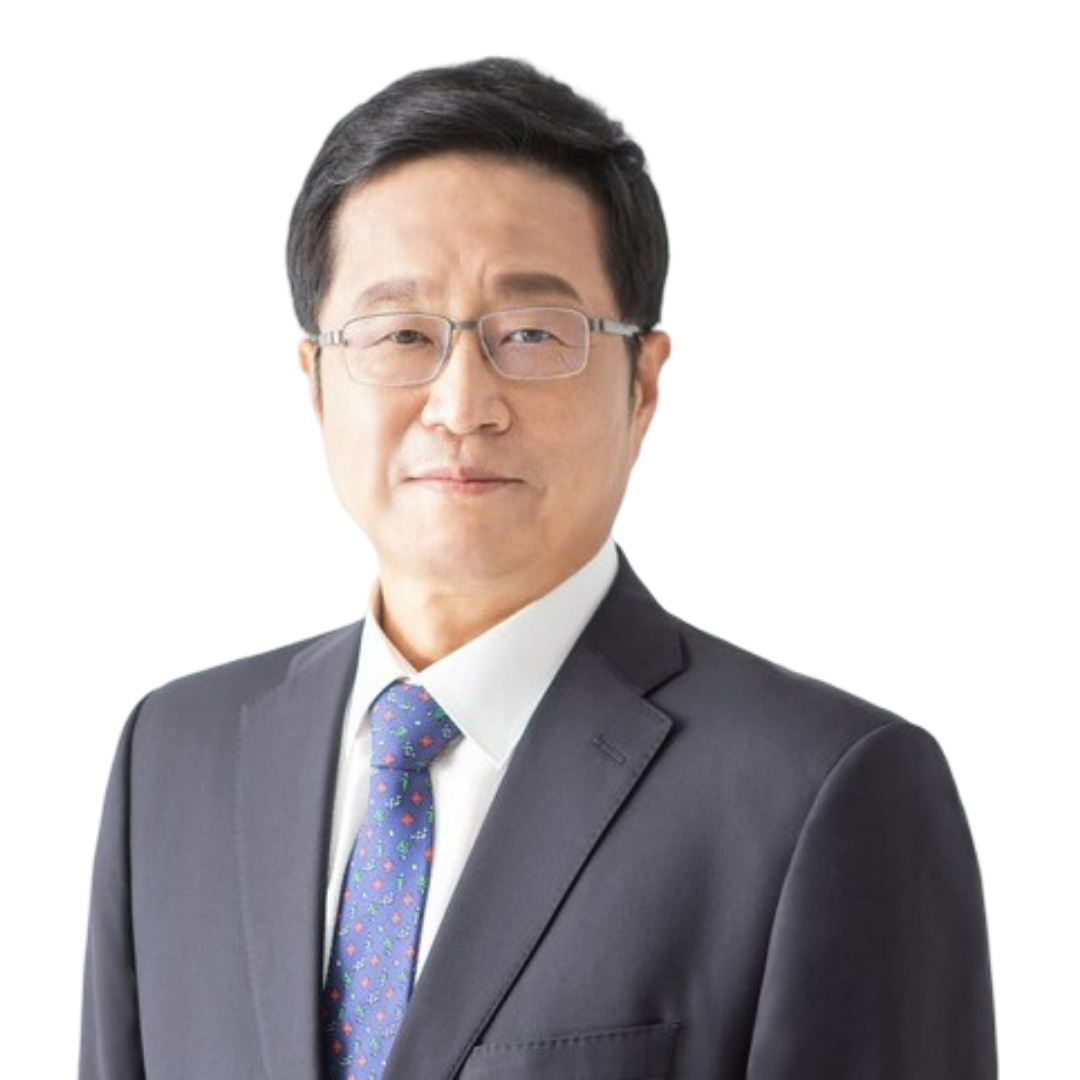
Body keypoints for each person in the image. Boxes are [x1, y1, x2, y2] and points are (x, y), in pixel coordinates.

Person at [78, 55, 997, 1080]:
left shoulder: (826, 789)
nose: (462, 405)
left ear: (644, 384)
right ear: (316, 385)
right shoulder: (174, 753)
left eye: (529, 333)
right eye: (403, 333)